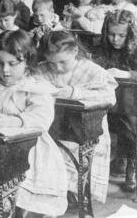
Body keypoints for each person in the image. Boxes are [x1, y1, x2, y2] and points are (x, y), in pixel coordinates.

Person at [0, 30, 67, 217]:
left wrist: (16, 120)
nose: (5, 70)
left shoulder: (34, 87)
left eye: (12, 64)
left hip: (29, 151)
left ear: (27, 61)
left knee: (21, 201)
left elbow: (43, 117)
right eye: (0, 63)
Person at [35, 30, 117, 205]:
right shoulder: (42, 69)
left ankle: (72, 191)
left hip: (85, 129)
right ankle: (49, 191)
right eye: (51, 63)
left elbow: (109, 97)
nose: (56, 68)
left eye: (62, 62)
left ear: (74, 52)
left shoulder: (92, 71)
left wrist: (75, 92)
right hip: (53, 126)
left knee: (71, 153)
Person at [94, 10, 137, 190]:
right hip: (106, 100)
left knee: (130, 121)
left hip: (130, 102)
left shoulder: (135, 50)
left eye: (121, 35)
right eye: (111, 34)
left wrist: (127, 74)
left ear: (129, 34)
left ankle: (131, 166)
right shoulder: (101, 48)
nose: (116, 39)